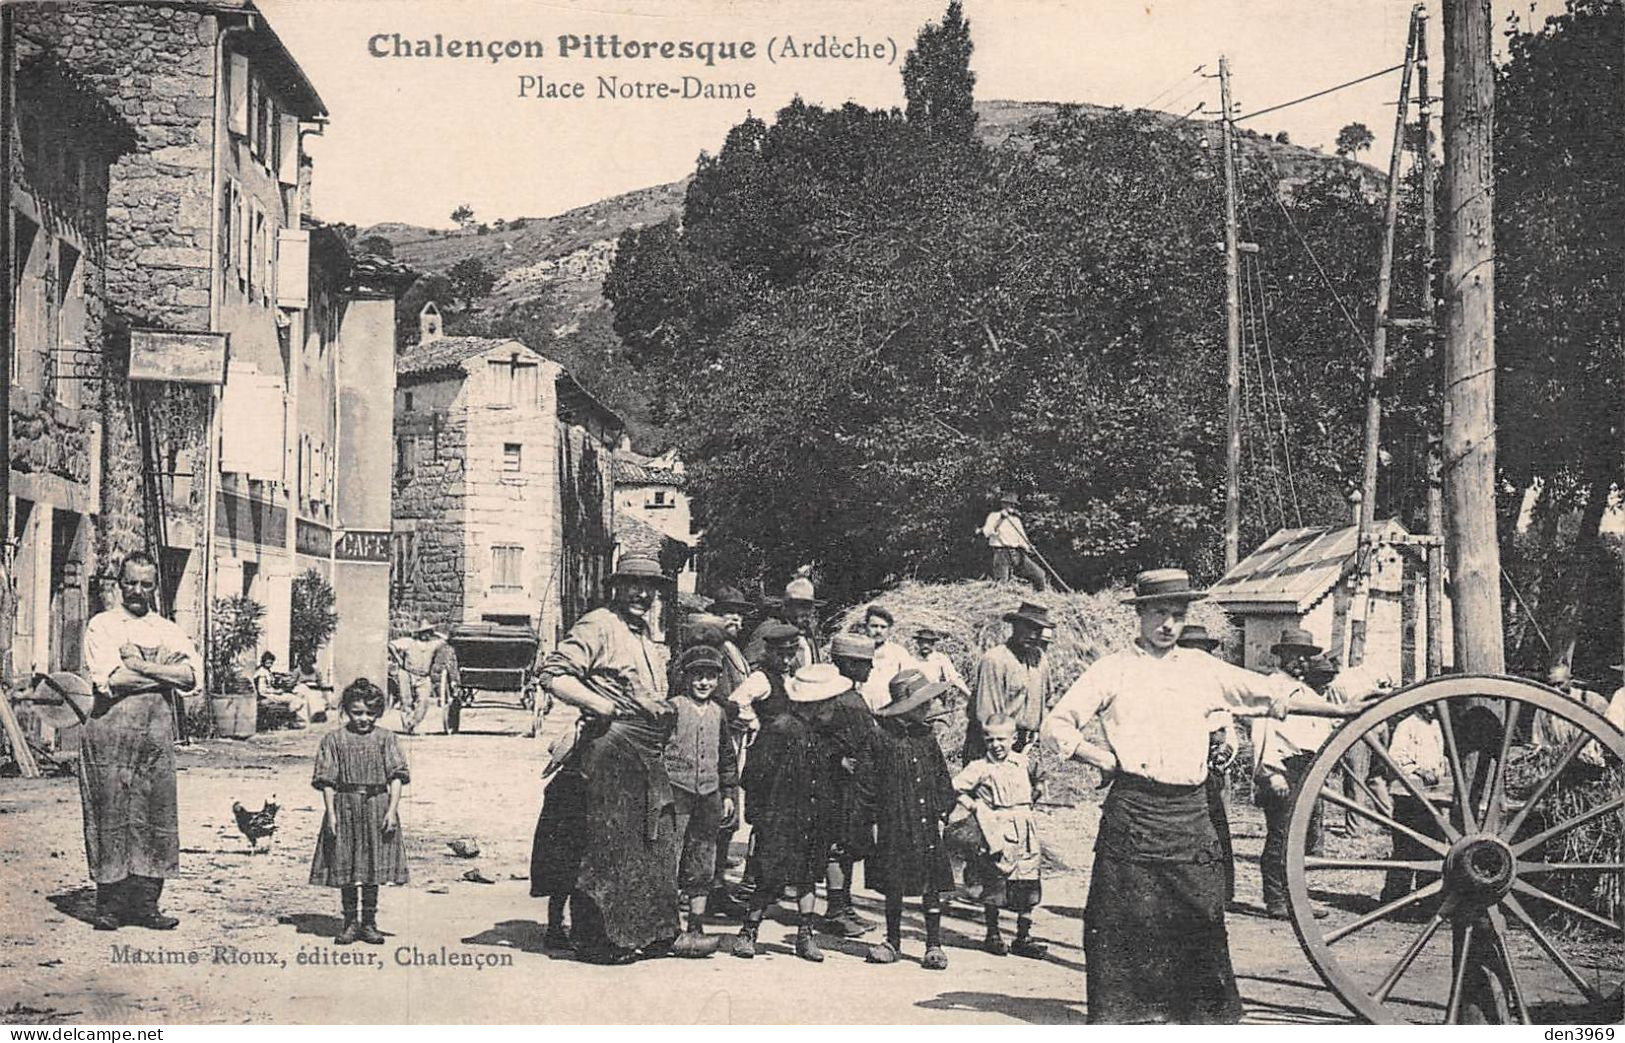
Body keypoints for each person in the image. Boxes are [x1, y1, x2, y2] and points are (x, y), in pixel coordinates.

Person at [1042, 568, 1366, 1024]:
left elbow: (1269, 694)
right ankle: (1127, 1018)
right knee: (1121, 918)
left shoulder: (1202, 669)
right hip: (1133, 811)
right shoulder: (1111, 670)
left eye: (1177, 614)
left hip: (1191, 814)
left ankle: (1198, 1020)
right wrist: (1100, 758)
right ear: (1140, 614)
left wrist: (1341, 709)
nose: (1168, 624)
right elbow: (1056, 725)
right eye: (1159, 613)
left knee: (1200, 918)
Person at [529, 553, 679, 965]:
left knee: (649, 841)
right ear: (616, 587)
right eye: (632, 584)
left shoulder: (646, 634)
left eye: (649, 587)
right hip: (609, 747)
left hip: (644, 751)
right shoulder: (599, 624)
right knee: (605, 845)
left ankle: (645, 932)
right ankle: (596, 941)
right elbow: (553, 673)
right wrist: (600, 705)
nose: (641, 593)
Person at [77, 551, 203, 931]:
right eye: (130, 582)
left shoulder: (167, 628)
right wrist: (166, 674)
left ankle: (147, 905)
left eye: (145, 584)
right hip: (110, 735)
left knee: (155, 813)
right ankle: (109, 906)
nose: (137, 591)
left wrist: (141, 666)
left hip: (155, 736)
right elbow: (111, 681)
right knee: (111, 815)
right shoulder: (102, 625)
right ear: (119, 584)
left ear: (155, 586)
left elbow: (192, 677)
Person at [734, 663, 847, 962]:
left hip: (813, 817)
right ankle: (749, 930)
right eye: (829, 702)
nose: (834, 707)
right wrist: (760, 815)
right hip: (781, 817)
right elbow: (753, 775)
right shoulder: (779, 730)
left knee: (809, 876)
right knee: (768, 877)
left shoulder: (824, 736)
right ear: (815, 703)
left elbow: (831, 777)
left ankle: (805, 934)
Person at [866, 670, 958, 970]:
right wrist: (870, 820)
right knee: (894, 882)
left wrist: (945, 805)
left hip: (926, 821)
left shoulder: (926, 736)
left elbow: (941, 775)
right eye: (924, 704)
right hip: (894, 822)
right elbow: (867, 783)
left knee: (931, 885)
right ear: (909, 707)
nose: (930, 708)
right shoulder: (881, 737)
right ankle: (893, 940)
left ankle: (934, 943)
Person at [309, 679, 409, 945]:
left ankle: (369, 922)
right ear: (346, 710)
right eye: (357, 712)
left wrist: (392, 810)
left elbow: (397, 777)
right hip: (345, 805)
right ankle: (350, 922)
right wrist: (330, 813)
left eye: (369, 713)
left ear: (378, 712)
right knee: (347, 862)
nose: (363, 718)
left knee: (373, 864)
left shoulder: (387, 739)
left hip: (377, 804)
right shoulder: (334, 740)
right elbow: (327, 780)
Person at [1251, 629, 1336, 920]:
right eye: (1294, 655)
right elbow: (1262, 732)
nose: (1300, 661)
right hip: (1283, 767)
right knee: (1281, 836)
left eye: (1306, 656)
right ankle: (1276, 901)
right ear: (1282, 656)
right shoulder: (1272, 687)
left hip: (1306, 769)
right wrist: (1271, 773)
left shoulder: (1307, 692)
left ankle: (1297, 899)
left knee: (1300, 839)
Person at [664, 645, 739, 957]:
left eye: (710, 677)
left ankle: (696, 924)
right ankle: (666, 925)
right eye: (698, 676)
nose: (704, 683)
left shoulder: (719, 713)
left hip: (708, 794)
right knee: (670, 856)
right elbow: (656, 751)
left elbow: (727, 758)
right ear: (687, 678)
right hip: (676, 793)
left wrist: (729, 794)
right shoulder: (673, 708)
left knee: (703, 860)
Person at [952, 714, 1046, 959]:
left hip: (1024, 829)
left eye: (1002, 739)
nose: (996, 744)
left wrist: (1035, 794)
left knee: (1027, 880)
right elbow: (955, 788)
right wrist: (975, 807)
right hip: (996, 829)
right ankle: (993, 934)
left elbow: (1041, 778)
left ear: (1013, 738)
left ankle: (1023, 936)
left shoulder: (1023, 762)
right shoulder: (980, 767)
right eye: (990, 739)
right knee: (995, 881)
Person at [819, 633, 884, 937]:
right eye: (865, 664)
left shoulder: (851, 696)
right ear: (849, 664)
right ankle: (834, 910)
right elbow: (818, 739)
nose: (870, 669)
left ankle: (844, 906)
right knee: (838, 846)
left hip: (855, 786)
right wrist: (837, 760)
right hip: (839, 788)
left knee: (849, 847)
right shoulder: (837, 699)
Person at [1176, 624, 1237, 906]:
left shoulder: (1215, 690)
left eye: (1202, 653)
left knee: (1215, 832)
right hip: (1179, 773)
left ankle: (1219, 893)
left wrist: (1224, 752)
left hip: (1211, 772)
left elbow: (1228, 731)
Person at [964, 602, 1055, 763]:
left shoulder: (1040, 659)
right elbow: (987, 716)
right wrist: (1008, 756)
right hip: (992, 747)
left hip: (1026, 746)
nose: (1033, 635)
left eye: (1038, 630)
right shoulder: (995, 660)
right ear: (1015, 626)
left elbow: (1047, 699)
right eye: (1028, 627)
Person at [1377, 704, 1448, 910]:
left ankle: (1429, 901)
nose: (1433, 708)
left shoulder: (1435, 725)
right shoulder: (1406, 725)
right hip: (1407, 794)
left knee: (1432, 847)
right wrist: (1418, 770)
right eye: (1430, 704)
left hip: (1431, 795)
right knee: (1405, 847)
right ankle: (1395, 901)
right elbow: (1396, 757)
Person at [1535, 662, 1611, 770]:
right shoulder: (1542, 710)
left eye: (1560, 684)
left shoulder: (1592, 700)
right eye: (1551, 685)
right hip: (1559, 767)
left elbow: (1612, 735)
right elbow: (1539, 742)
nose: (1556, 690)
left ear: (1571, 681)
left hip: (1593, 766)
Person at [744, 575, 824, 670]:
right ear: (787, 606)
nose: (807, 612)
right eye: (802, 606)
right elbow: (751, 666)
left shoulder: (807, 634)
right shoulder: (770, 629)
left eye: (810, 607)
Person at [980, 493, 1048, 590]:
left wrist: (1029, 547)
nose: (1012, 506)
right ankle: (1000, 602)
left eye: (1014, 504)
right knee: (1002, 584)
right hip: (1002, 553)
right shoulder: (994, 516)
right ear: (1003, 504)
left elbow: (1022, 538)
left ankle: (1039, 598)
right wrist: (1000, 519)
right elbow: (987, 532)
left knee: (1039, 574)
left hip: (1017, 553)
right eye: (1009, 504)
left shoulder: (1016, 520)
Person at [387, 621, 444, 735]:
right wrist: (398, 659)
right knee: (406, 700)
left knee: (424, 701)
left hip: (423, 676)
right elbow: (391, 645)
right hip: (407, 673)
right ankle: (407, 726)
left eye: (428, 632)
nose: (425, 635)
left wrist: (436, 633)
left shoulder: (433, 644)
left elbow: (446, 639)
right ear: (418, 633)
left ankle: (413, 723)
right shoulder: (408, 642)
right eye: (423, 632)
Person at [861, 605, 919, 712]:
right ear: (866, 627)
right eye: (874, 626)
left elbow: (909, 682)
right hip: (863, 710)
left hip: (891, 710)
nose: (878, 631)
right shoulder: (857, 651)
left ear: (889, 630)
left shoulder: (899, 653)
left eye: (883, 627)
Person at [912, 627, 969, 697]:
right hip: (916, 699)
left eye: (928, 642)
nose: (925, 645)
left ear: (932, 643)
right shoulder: (912, 660)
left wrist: (969, 694)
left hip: (934, 698)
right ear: (918, 643)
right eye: (922, 642)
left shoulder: (941, 659)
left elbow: (954, 678)